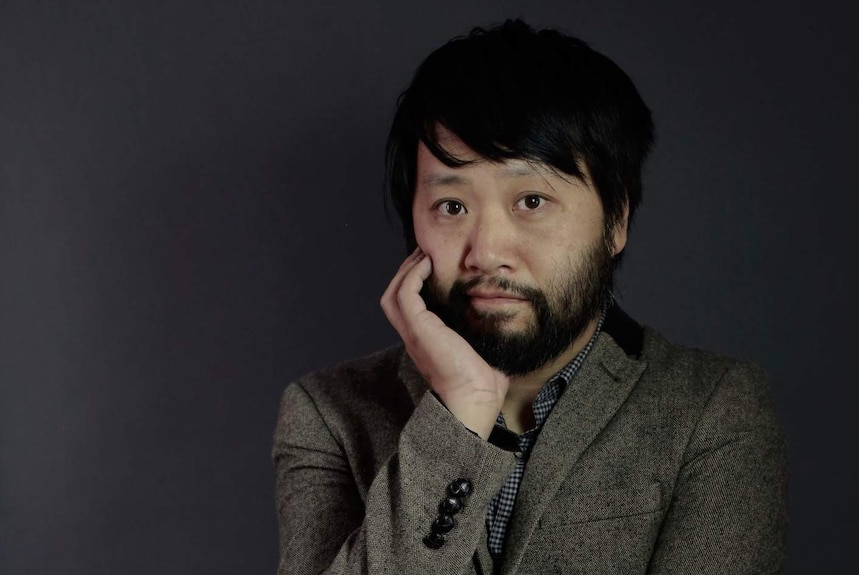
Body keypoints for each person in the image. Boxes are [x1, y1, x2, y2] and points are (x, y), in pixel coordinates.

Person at [272, 19, 787, 575]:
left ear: (616, 220)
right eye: (452, 206)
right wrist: (460, 415)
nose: (487, 251)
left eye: (532, 201)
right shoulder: (326, 413)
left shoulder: (711, 410)